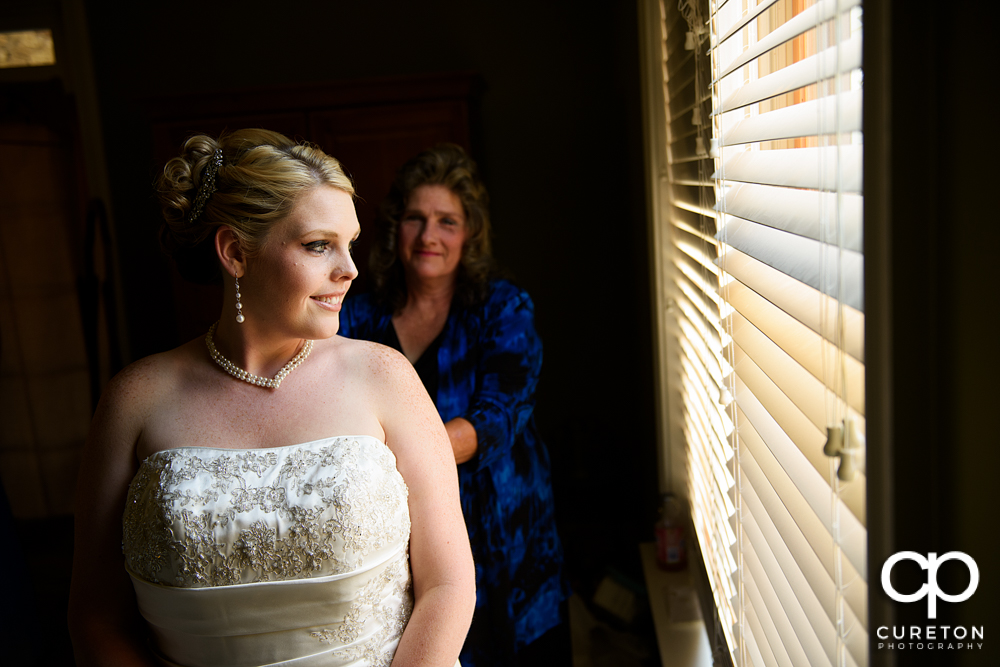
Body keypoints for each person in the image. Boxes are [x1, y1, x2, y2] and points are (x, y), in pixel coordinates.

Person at [67, 129, 475, 667]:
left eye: (349, 242)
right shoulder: (134, 400)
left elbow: (448, 588)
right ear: (236, 252)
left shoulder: (386, 377)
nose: (349, 269)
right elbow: (96, 615)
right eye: (318, 245)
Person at [338, 144, 570, 667]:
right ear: (395, 227)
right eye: (415, 219)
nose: (428, 237)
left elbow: (498, 418)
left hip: (503, 528)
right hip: (407, 532)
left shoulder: (504, 308)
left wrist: (395, 460)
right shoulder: (357, 314)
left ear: (469, 234)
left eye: (447, 221)